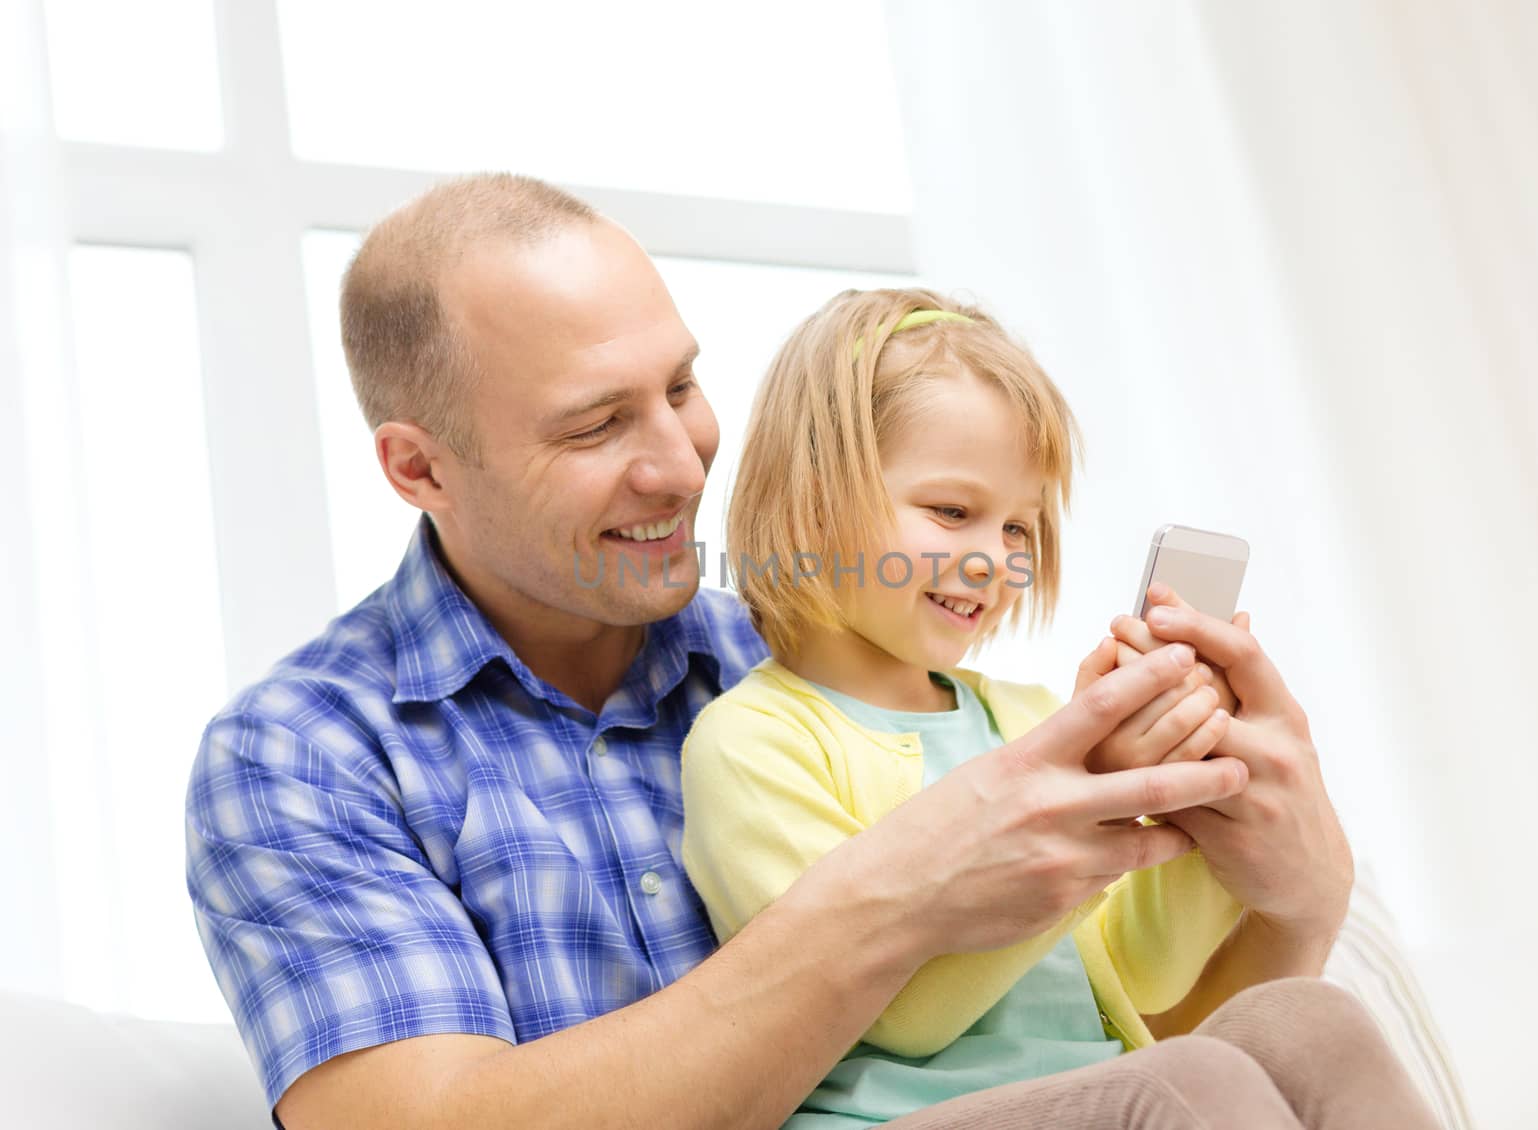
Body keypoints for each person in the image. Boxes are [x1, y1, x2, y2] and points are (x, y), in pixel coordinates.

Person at [183, 173, 1373, 1130]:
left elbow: (1112, 1064)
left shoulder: (835, 649)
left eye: (683, 387)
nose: (682, 463)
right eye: (597, 423)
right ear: (419, 467)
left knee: (1300, 1034)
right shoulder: (304, 754)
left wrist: (1281, 891)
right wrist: (902, 893)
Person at [679, 290, 1444, 1129]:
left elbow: (1136, 976)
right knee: (1191, 1081)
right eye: (953, 512)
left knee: (1314, 1021)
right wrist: (1076, 823)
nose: (994, 561)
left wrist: (1195, 801)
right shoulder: (756, 741)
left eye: (1018, 528)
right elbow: (901, 1019)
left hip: (1093, 1100)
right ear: (814, 499)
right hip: (897, 1118)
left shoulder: (1026, 716)